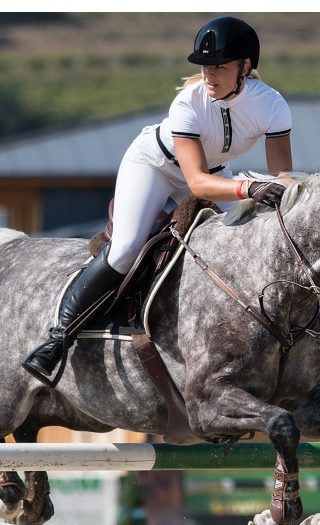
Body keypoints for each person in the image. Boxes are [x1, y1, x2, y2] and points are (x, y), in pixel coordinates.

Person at [22, 15, 294, 385]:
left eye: (219, 67)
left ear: (245, 68)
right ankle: (58, 337)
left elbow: (282, 175)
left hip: (216, 173)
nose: (209, 75)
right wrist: (249, 188)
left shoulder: (272, 105)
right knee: (126, 247)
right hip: (155, 166)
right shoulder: (188, 102)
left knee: (251, 242)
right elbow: (196, 183)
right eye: (205, 67)